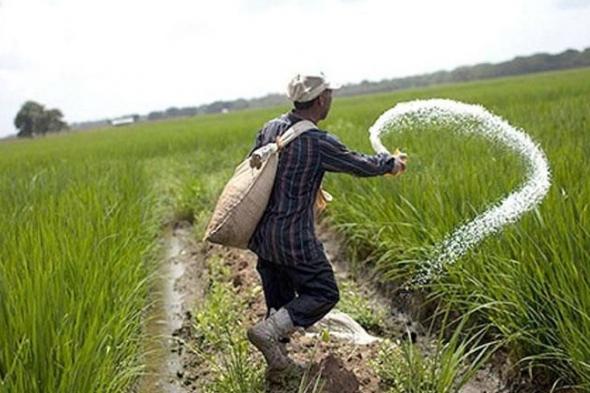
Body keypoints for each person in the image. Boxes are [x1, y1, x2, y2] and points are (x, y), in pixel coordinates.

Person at [246, 72, 407, 380]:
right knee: (323, 292)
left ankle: (278, 367)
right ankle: (267, 334)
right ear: (320, 99)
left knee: (280, 303)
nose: (331, 98)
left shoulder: (270, 129)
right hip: (294, 237)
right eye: (329, 94)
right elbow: (358, 164)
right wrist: (391, 163)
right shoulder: (317, 141)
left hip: (264, 236)